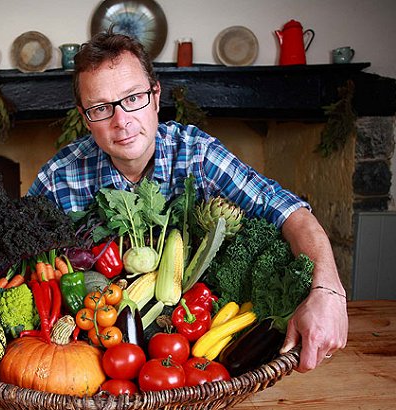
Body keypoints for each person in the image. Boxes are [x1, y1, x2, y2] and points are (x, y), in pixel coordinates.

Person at [28, 31, 348, 372]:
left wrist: (329, 293)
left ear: (155, 96)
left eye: (133, 97)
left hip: (189, 347)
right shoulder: (59, 177)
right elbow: (17, 262)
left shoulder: (198, 154)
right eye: (101, 108)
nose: (121, 121)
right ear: (83, 116)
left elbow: (287, 211)